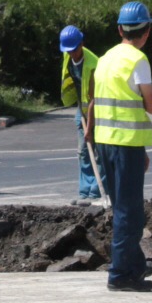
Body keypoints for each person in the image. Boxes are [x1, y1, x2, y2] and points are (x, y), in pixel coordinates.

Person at [91, 0, 152, 293]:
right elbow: (150, 105)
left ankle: (134, 266)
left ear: (120, 29)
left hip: (106, 142)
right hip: (126, 145)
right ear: (146, 32)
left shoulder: (105, 59)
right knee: (130, 212)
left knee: (122, 207)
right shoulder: (137, 61)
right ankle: (120, 274)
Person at [58, 25, 101, 203]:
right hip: (80, 110)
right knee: (83, 151)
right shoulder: (67, 54)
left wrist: (89, 127)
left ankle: (97, 189)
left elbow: (94, 100)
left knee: (96, 150)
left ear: (81, 44)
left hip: (96, 111)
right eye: (68, 51)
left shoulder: (93, 64)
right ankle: (85, 191)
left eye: (74, 50)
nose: (71, 54)